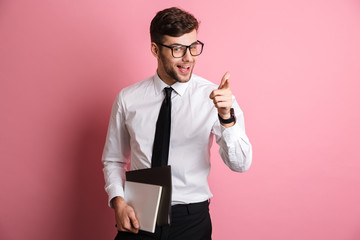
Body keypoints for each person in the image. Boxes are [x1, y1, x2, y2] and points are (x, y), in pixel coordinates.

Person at [102, 7, 252, 240]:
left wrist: (226, 118)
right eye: (177, 49)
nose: (189, 57)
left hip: (191, 220)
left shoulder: (215, 98)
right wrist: (118, 201)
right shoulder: (128, 98)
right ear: (155, 49)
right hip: (138, 215)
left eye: (193, 47)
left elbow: (241, 164)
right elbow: (113, 159)